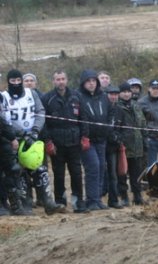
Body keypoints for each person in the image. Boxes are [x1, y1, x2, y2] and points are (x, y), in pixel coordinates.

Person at [1, 69, 65, 215]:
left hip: (34, 138)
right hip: (14, 140)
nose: (16, 83)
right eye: (13, 81)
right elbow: (4, 119)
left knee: (39, 168)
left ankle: (48, 202)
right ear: (8, 82)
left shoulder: (31, 93)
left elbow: (40, 111)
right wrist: (19, 133)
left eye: (18, 81)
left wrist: (35, 130)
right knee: (19, 171)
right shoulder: (3, 97)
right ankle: (26, 204)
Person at [42, 70, 89, 213]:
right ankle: (60, 202)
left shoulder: (76, 96)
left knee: (76, 173)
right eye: (57, 79)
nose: (60, 82)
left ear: (67, 80)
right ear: (53, 81)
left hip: (74, 142)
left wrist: (85, 136)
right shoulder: (47, 98)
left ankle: (78, 202)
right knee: (59, 174)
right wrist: (48, 141)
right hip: (57, 143)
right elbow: (43, 122)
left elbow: (84, 118)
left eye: (63, 79)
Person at [78, 69, 113, 211]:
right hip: (87, 139)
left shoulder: (103, 97)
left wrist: (108, 127)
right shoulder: (79, 97)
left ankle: (97, 198)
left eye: (93, 81)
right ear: (83, 83)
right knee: (93, 166)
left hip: (101, 138)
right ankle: (91, 200)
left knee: (100, 168)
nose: (91, 84)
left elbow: (111, 113)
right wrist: (83, 135)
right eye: (88, 81)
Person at [114, 82, 147, 205]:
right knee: (122, 173)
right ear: (120, 93)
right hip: (123, 146)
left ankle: (137, 196)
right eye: (124, 92)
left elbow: (143, 123)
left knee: (136, 173)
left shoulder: (136, 106)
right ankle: (124, 197)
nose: (127, 94)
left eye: (128, 91)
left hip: (137, 145)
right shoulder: (116, 107)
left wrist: (145, 140)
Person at [0, 112, 28, 215]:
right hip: (5, 141)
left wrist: (12, 138)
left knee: (11, 173)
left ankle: (14, 205)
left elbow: (5, 124)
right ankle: (4, 204)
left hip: (4, 143)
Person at [104, 85, 122, 208]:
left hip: (114, 147)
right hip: (101, 143)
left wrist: (119, 138)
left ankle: (113, 199)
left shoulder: (120, 110)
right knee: (99, 172)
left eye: (116, 94)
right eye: (111, 94)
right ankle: (96, 198)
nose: (113, 96)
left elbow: (125, 128)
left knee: (113, 174)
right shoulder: (102, 108)